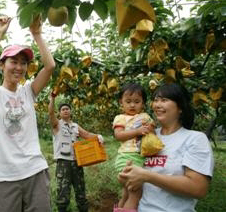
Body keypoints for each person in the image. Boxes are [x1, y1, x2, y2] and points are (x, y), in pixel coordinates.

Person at [0, 15, 55, 212]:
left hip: (34, 172)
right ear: (2, 65)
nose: (19, 67)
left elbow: (50, 66)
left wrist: (36, 34)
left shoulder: (28, 92)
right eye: (13, 61)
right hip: (4, 177)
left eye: (23, 63)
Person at [118, 83, 214, 212]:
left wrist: (147, 176)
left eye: (164, 100)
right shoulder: (147, 134)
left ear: (180, 107)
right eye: (156, 100)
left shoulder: (194, 139)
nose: (157, 105)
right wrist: (125, 176)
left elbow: (198, 188)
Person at [48, 93, 104, 212]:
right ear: (60, 113)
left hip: (77, 162)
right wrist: (52, 99)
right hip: (63, 163)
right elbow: (50, 113)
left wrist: (98, 137)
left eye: (67, 109)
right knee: (63, 192)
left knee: (80, 191)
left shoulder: (75, 126)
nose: (65, 111)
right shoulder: (57, 125)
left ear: (70, 111)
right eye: (63, 109)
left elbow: (87, 135)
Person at [112, 83, 155, 211]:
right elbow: (118, 135)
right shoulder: (121, 118)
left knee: (127, 191)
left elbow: (153, 134)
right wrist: (137, 131)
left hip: (140, 158)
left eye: (137, 102)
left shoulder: (146, 117)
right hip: (126, 158)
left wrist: (149, 128)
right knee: (136, 193)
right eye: (128, 101)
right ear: (121, 102)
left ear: (143, 103)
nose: (132, 105)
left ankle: (119, 209)